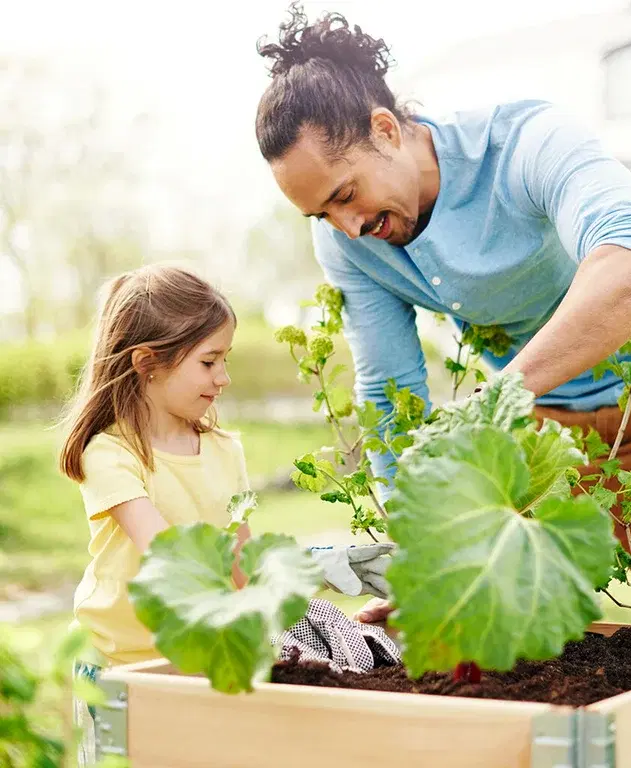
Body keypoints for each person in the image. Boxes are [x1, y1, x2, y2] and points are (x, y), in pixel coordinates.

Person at [253, 5, 631, 629]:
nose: (348, 227)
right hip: (540, 429)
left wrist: (501, 396)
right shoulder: (348, 241)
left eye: (346, 194)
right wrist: (421, 543)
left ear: (385, 129)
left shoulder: (526, 143)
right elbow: (388, 385)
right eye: (322, 215)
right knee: (516, 634)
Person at [59, 264, 393, 764]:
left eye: (225, 359)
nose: (224, 378)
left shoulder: (223, 449)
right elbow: (170, 560)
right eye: (209, 361)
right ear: (148, 362)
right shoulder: (110, 453)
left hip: (196, 657)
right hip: (118, 664)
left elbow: (241, 562)